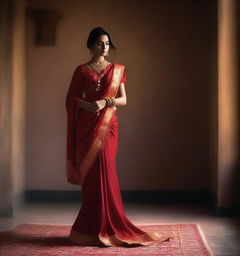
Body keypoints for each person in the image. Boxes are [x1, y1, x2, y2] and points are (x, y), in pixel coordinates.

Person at [65, 27, 172, 247]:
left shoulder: (117, 69)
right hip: (87, 126)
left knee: (106, 168)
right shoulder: (82, 70)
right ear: (91, 45)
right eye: (99, 43)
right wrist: (88, 105)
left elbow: (123, 99)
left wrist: (105, 102)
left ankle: (111, 223)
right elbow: (71, 99)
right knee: (92, 176)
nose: (104, 47)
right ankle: (88, 228)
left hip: (108, 125)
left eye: (107, 43)